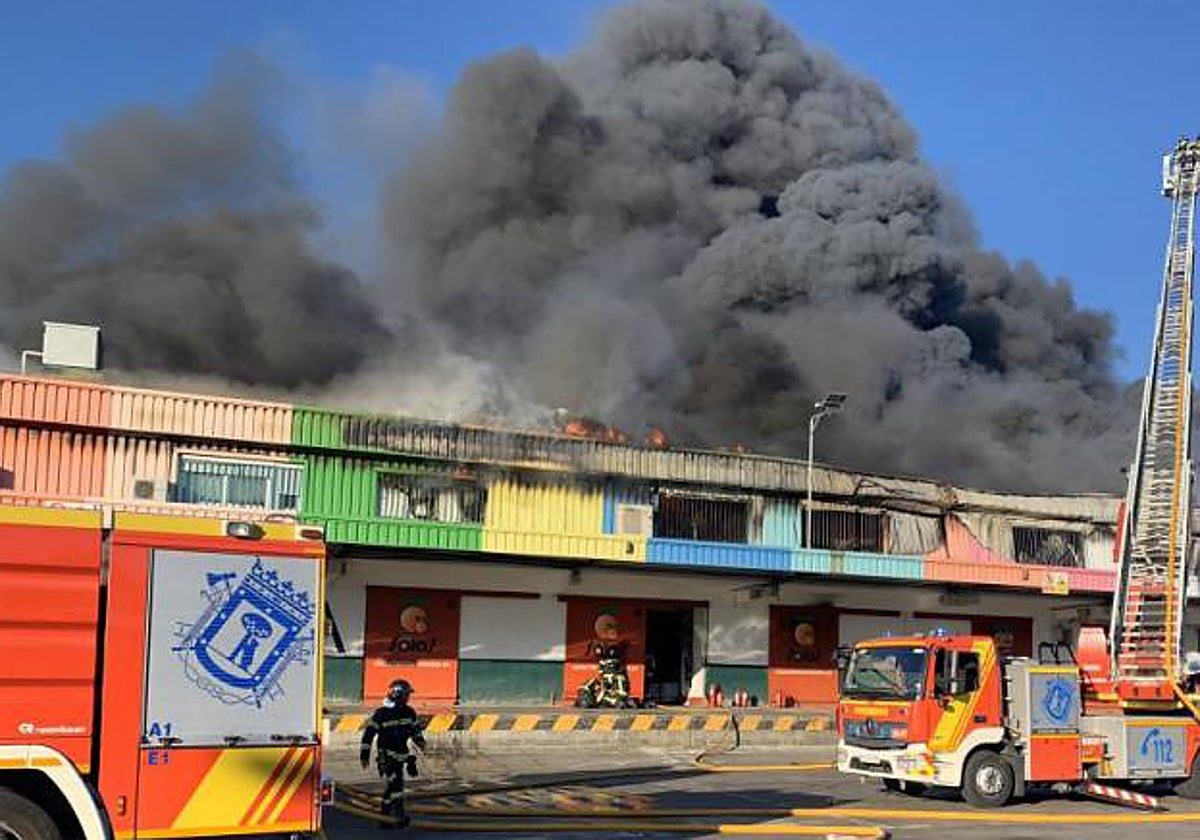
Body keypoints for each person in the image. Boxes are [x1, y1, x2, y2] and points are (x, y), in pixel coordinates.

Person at [360, 679, 426, 828]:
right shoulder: (382, 714)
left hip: (401, 756)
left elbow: (415, 730)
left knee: (393, 787)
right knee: (396, 787)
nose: (408, 697)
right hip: (387, 758)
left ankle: (386, 818)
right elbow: (368, 736)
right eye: (406, 694)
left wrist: (420, 742)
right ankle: (397, 817)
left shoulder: (409, 712)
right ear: (398, 695)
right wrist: (364, 756)